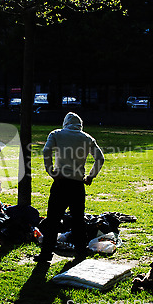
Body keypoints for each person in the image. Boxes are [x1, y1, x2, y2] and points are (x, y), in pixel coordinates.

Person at [35, 112, 105, 262]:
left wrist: (50, 169)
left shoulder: (56, 134)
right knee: (78, 220)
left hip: (60, 182)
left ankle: (46, 254)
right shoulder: (87, 138)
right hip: (78, 184)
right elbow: (100, 158)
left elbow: (46, 150)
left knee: (53, 219)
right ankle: (80, 252)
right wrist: (91, 176)